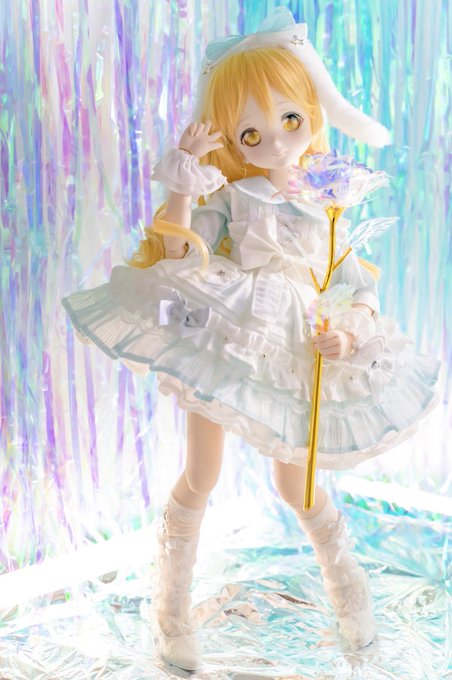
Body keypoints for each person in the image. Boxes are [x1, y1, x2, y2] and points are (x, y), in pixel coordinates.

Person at [61, 8, 441, 672]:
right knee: (201, 474)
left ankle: (352, 603)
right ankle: (171, 617)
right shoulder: (234, 197)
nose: (276, 141)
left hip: (298, 346)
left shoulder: (328, 201)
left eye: (290, 119)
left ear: (311, 112)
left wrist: (349, 330)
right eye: (251, 133)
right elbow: (181, 257)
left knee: (298, 486)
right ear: (234, 140)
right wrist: (183, 181)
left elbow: (355, 281)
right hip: (229, 330)